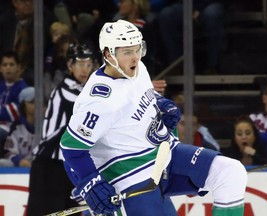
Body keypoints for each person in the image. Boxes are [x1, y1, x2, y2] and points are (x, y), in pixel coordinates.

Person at [60, 20, 247, 216]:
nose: (135, 58)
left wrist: (161, 103)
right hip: (130, 173)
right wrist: (90, 182)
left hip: (164, 155)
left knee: (230, 172)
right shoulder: (99, 100)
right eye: (127, 52)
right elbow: (71, 147)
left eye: (137, 49)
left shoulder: (138, 69)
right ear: (108, 54)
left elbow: (142, 96)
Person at [26, 43, 96, 216]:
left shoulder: (84, 90)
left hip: (67, 165)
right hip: (49, 163)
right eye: (80, 64)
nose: (84, 69)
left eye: (88, 64)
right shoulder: (67, 89)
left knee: (70, 212)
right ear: (70, 66)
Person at [157, 0, 226, 74]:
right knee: (166, 15)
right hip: (183, 5)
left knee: (212, 14)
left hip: (210, 3)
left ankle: (213, 66)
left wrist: (198, 8)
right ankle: (177, 64)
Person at [0, 0, 56, 85]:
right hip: (5, 67)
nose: (28, 4)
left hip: (32, 71)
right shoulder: (4, 21)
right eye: (24, 1)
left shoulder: (46, 21)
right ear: (15, 3)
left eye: (32, 1)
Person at [0, 50, 28, 156]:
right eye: (5, 65)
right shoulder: (1, 86)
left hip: (14, 129)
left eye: (11, 64)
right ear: (0, 68)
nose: (8, 68)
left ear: (18, 67)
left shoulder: (23, 88)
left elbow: (14, 113)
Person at [0, 87, 36, 167]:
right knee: (2, 163)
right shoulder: (16, 127)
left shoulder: (47, 125)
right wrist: (19, 160)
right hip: (20, 164)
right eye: (32, 102)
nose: (36, 105)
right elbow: (9, 152)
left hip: (40, 165)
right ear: (23, 105)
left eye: (39, 101)